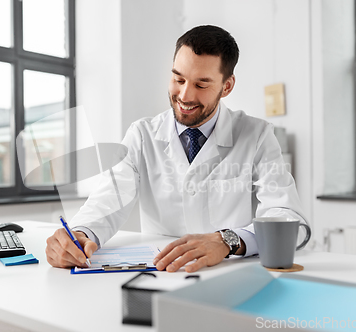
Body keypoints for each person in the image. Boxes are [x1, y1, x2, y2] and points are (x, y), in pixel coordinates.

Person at [46, 25, 308, 273]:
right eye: (178, 79)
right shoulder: (142, 135)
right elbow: (107, 200)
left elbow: (285, 218)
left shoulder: (257, 135)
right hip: (162, 272)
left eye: (201, 84)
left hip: (233, 273)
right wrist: (80, 235)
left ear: (226, 86)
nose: (185, 95)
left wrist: (227, 241)